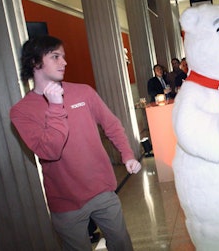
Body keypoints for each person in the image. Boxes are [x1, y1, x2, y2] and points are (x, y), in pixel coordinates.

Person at [10, 35, 141, 251]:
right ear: (35, 63)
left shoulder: (84, 92)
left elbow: (112, 125)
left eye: (63, 56)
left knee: (121, 244)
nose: (64, 62)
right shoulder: (21, 112)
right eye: (55, 56)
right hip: (65, 202)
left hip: (102, 190)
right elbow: (50, 151)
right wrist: (55, 106)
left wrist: (126, 154)